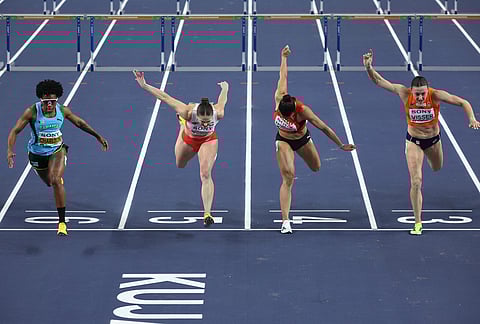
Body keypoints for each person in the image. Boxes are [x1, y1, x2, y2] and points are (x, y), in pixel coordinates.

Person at [363, 49, 480, 235]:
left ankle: (430, 160)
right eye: (416, 94)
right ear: (412, 91)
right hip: (414, 141)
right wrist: (369, 67)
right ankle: (418, 223)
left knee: (437, 167)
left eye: (422, 94)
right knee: (416, 181)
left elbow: (462, 102)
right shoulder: (404, 93)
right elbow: (379, 81)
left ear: (427, 91)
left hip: (433, 140)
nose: (419, 98)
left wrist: (472, 118)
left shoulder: (435, 95)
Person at [7, 79, 109, 236]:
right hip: (37, 153)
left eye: (52, 101)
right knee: (49, 182)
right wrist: (10, 150)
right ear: (41, 99)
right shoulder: (32, 112)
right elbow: (15, 131)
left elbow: (80, 123)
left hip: (57, 150)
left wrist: (97, 136)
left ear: (57, 100)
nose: (49, 105)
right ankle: (54, 179)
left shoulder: (63, 111)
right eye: (46, 101)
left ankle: (62, 223)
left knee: (55, 180)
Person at [274, 45, 356, 234]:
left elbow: (324, 127)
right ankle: (285, 221)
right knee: (288, 176)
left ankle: (302, 156)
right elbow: (283, 76)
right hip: (284, 140)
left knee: (316, 166)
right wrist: (284, 57)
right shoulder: (279, 97)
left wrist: (340, 145)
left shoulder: (303, 111)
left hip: (302, 140)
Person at [133, 70, 228, 227]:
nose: (205, 123)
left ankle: (207, 213)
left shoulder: (219, 113)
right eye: (203, 121)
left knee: (205, 173)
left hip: (208, 140)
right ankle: (182, 126)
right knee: (180, 164)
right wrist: (144, 85)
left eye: (207, 121)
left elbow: (222, 100)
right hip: (188, 139)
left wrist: (225, 88)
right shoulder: (187, 111)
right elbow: (165, 97)